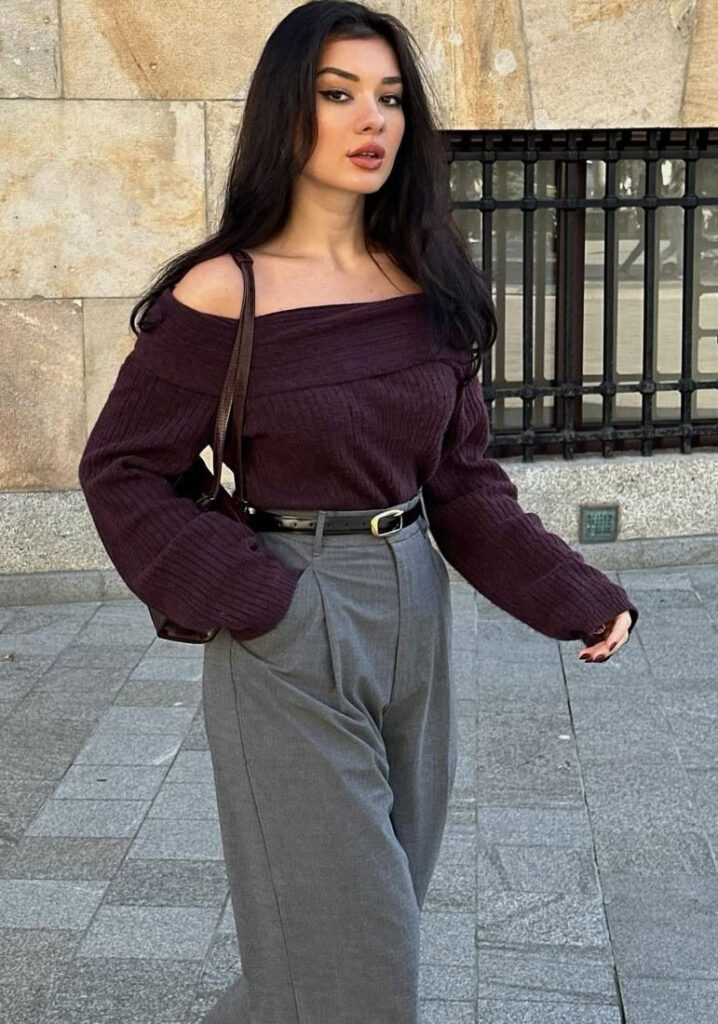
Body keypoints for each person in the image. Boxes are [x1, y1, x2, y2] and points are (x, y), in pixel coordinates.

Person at [78, 2, 639, 1021]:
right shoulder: (224, 292)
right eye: (337, 94)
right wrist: (267, 602)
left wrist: (574, 592)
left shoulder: (426, 280)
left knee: (346, 937)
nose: (370, 118)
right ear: (285, 114)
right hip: (294, 614)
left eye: (388, 97)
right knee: (356, 959)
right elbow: (121, 470)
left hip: (416, 605)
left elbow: (461, 479)